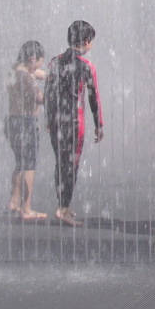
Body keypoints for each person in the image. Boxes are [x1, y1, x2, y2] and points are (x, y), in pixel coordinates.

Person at [44, 21, 104, 227]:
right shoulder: (87, 67)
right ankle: (62, 208)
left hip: (57, 120)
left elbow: (48, 94)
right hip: (75, 122)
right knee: (72, 164)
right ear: (86, 42)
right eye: (91, 42)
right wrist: (99, 124)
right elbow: (93, 98)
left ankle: (64, 204)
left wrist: (48, 119)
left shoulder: (54, 62)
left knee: (60, 162)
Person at [5, 40, 47, 220]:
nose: (37, 67)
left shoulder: (13, 70)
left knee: (20, 162)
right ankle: (26, 209)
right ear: (32, 59)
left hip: (12, 122)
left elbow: (35, 72)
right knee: (29, 165)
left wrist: (49, 75)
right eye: (38, 62)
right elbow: (39, 99)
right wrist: (53, 94)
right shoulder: (27, 78)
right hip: (26, 122)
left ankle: (13, 202)